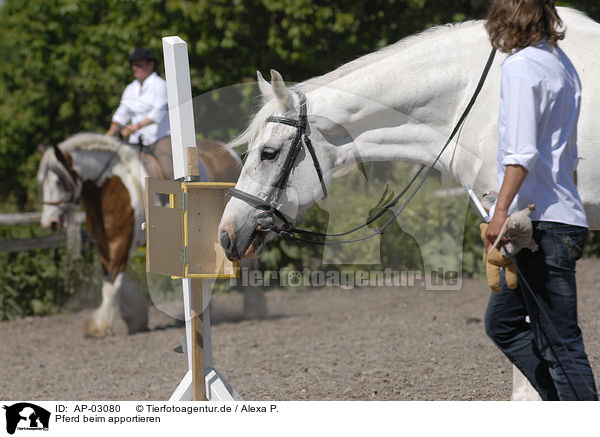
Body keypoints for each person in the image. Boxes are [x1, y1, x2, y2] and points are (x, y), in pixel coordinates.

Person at [483, 0, 597, 400]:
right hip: (561, 217)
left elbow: (522, 153)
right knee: (504, 325)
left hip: (543, 227)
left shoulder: (521, 66)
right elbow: (564, 154)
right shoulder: (561, 63)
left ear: (507, 17)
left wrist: (499, 212)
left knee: (562, 347)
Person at [105, 47, 174, 179]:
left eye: (138, 65)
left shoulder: (160, 85)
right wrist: (108, 135)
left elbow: (157, 114)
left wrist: (133, 127)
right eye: (133, 65)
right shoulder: (130, 88)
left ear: (151, 65)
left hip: (159, 138)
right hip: (136, 141)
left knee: (168, 171)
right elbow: (122, 113)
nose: (134, 68)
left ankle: (173, 199)